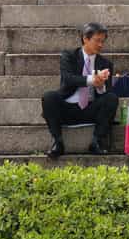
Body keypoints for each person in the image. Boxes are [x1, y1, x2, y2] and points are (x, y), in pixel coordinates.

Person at [40, 22, 118, 158]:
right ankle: (57, 142)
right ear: (85, 39)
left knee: (111, 98)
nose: (100, 45)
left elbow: (107, 92)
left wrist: (100, 86)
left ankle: (97, 142)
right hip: (68, 107)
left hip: (91, 109)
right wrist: (91, 80)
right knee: (49, 97)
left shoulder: (106, 64)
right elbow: (68, 78)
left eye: (103, 41)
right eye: (97, 40)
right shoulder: (69, 56)